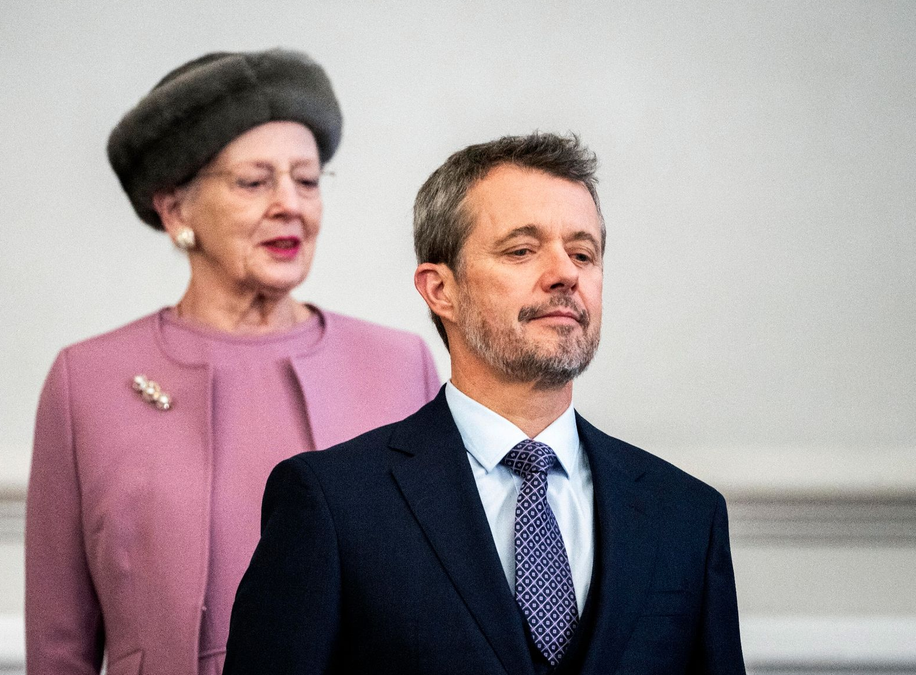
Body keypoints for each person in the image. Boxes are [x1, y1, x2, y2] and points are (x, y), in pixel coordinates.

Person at [224, 133, 746, 674]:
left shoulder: (686, 514)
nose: (565, 273)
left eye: (583, 253)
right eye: (522, 250)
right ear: (439, 290)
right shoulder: (332, 504)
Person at [24, 49, 440, 675]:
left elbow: (447, 605)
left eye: (306, 180)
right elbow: (60, 645)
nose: (289, 204)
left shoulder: (399, 364)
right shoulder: (87, 381)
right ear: (175, 210)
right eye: (254, 181)